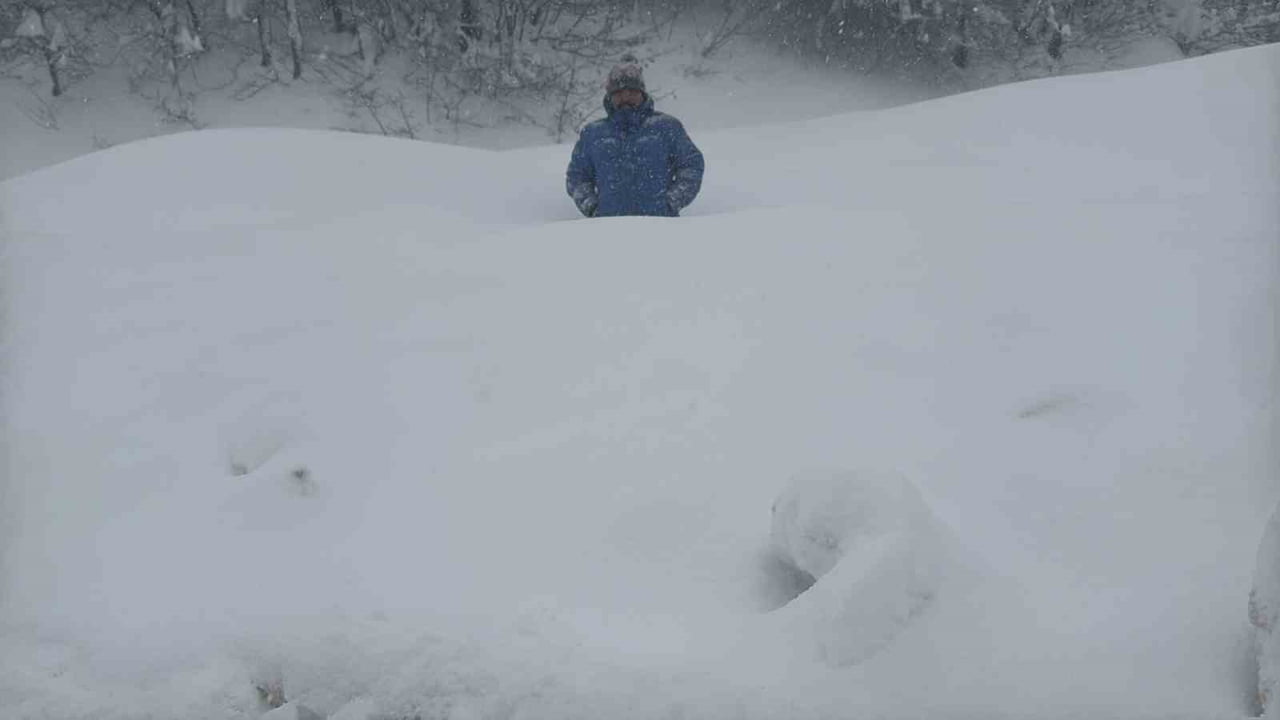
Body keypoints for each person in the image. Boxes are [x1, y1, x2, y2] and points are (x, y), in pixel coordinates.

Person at [566, 55, 705, 218]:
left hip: (660, 225)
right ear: (610, 96)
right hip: (608, 227)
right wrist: (592, 207)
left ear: (642, 93)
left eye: (632, 91)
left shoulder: (667, 127)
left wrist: (671, 202)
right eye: (619, 93)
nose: (625, 97)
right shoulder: (593, 134)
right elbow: (577, 177)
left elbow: (691, 165)